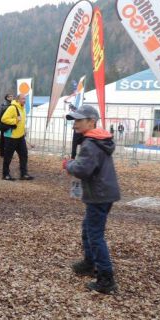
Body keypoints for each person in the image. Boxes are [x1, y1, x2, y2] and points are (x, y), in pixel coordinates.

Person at [63, 105, 120, 294]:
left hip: (99, 193)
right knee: (88, 230)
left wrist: (68, 164)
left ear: (91, 121)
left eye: (79, 121)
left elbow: (82, 169)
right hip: (103, 192)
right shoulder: (99, 140)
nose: (75, 125)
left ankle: (106, 278)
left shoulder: (90, 143)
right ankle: (90, 263)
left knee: (95, 235)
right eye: (75, 121)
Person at [1, 92, 33, 181]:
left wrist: (24, 130)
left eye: (25, 99)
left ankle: (24, 173)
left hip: (20, 136)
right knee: (8, 156)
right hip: (11, 137)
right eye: (23, 99)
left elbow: (22, 121)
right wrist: (15, 120)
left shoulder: (23, 108)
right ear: (18, 100)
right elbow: (4, 119)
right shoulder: (12, 107)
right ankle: (5, 174)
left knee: (24, 155)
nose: (25, 101)